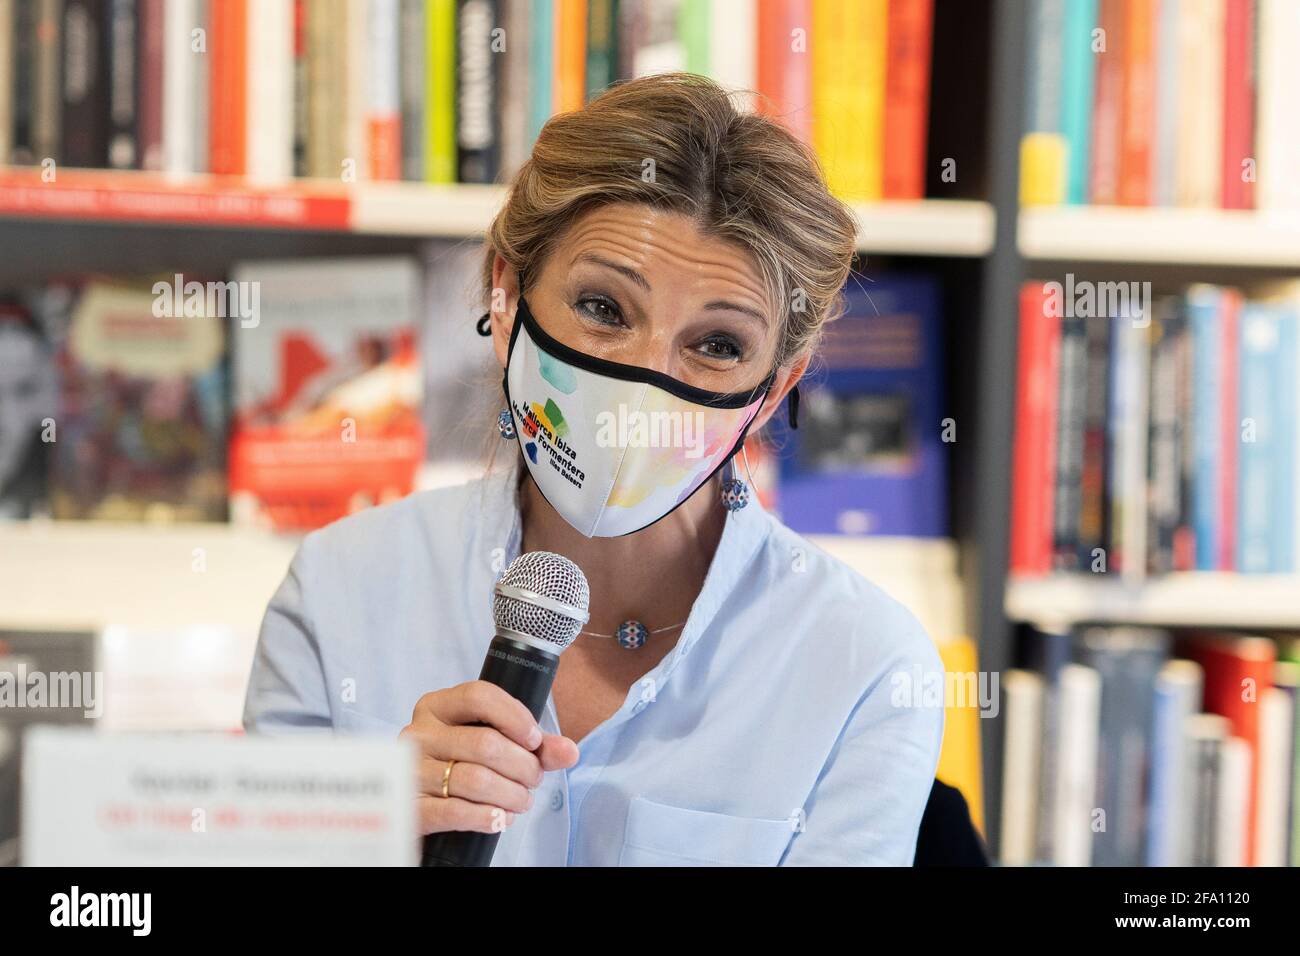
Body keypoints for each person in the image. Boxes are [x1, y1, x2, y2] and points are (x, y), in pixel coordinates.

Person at [243, 72, 945, 866]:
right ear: (506, 297)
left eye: (717, 346)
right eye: (604, 308)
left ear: (774, 387)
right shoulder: (339, 593)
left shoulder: (864, 666)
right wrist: (364, 840)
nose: (642, 384)